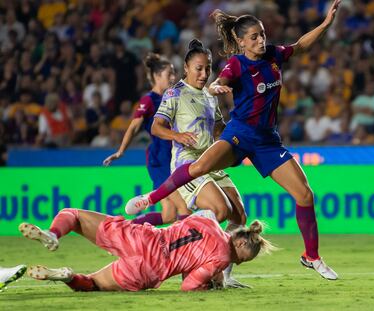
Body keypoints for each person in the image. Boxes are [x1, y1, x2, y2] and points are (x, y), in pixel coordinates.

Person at [127, 0, 342, 280]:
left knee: (305, 195)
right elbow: (221, 80)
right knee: (200, 167)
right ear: (241, 42)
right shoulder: (236, 65)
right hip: (240, 134)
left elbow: (300, 46)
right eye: (254, 37)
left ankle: (311, 257)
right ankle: (151, 197)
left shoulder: (274, 55)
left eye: (262, 34)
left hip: (267, 142)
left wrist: (325, 25)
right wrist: (217, 86)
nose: (261, 40)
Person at [126, 39, 248, 288]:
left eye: (208, 68)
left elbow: (217, 129)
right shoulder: (174, 93)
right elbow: (156, 127)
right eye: (198, 68)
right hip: (187, 164)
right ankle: (191, 261)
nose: (204, 74)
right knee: (220, 210)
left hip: (211, 161)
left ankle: (223, 275)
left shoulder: (209, 96)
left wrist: (237, 130)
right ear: (186, 68)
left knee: (239, 215)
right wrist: (177, 135)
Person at [19, 208, 272, 291]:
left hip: (141, 238)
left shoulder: (207, 218)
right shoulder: (221, 259)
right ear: (239, 244)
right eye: (240, 259)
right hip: (148, 270)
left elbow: (184, 223)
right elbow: (188, 285)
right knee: (93, 284)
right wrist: (212, 285)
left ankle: (52, 233)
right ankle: (67, 276)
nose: (235, 263)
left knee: (72, 215)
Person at [103, 53, 189, 226]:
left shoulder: (172, 97)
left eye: (173, 73)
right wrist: (121, 151)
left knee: (169, 215)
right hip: (160, 159)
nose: (173, 77)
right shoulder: (149, 100)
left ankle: (127, 228)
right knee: (184, 208)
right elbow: (134, 126)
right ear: (157, 76)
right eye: (169, 74)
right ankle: (189, 248)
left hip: (173, 157)